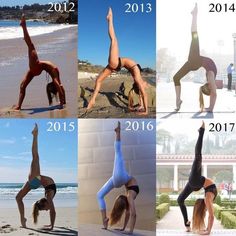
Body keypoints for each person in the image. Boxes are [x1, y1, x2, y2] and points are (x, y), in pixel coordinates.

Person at [86, 8, 149, 115]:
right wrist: (141, 104)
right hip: (116, 65)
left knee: (114, 39)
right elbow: (141, 92)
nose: (145, 84)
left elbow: (143, 93)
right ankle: (92, 100)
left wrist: (146, 111)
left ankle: (110, 18)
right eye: (146, 83)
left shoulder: (136, 71)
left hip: (115, 63)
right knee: (99, 80)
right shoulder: (135, 75)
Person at [13, 14, 66, 110]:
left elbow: (59, 86)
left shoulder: (54, 73)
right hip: (38, 68)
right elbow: (60, 87)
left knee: (31, 46)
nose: (50, 86)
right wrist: (63, 102)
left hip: (38, 67)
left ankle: (24, 26)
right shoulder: (56, 76)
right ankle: (18, 106)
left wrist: (62, 104)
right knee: (22, 86)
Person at [173, 3, 217, 112]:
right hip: (194, 61)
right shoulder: (211, 78)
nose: (211, 86)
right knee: (176, 78)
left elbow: (214, 94)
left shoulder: (211, 77)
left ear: (209, 86)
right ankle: (178, 101)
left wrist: (211, 108)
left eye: (210, 87)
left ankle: (195, 15)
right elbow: (214, 93)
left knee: (194, 35)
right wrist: (210, 107)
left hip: (195, 60)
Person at [97, 121, 139, 234]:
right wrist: (125, 229)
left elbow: (133, 214)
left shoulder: (129, 196)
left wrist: (130, 231)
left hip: (120, 177)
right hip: (119, 179)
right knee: (99, 195)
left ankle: (118, 132)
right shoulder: (129, 198)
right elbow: (129, 213)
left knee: (118, 152)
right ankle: (105, 220)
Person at [177, 121, 217, 235]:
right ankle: (187, 223)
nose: (203, 211)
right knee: (197, 156)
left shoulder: (208, 197)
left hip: (195, 182)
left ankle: (201, 131)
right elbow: (211, 216)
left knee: (198, 156)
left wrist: (208, 231)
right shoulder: (208, 197)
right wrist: (208, 230)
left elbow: (211, 216)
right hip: (196, 182)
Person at [16, 124, 56, 230]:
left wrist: (52, 227)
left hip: (35, 180)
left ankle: (35, 135)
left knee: (35, 156)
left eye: (45, 209)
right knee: (18, 198)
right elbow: (53, 211)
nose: (47, 210)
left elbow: (53, 211)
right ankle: (23, 220)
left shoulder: (48, 197)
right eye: (46, 209)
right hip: (34, 182)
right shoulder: (48, 197)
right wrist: (52, 226)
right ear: (44, 203)